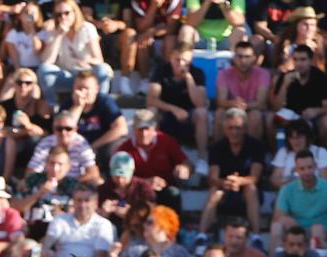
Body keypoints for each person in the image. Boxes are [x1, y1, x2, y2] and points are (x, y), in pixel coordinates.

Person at [146, 42, 209, 176]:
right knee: (151, 112)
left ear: (190, 60)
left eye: (184, 60)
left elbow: (200, 103)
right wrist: (174, 109)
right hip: (166, 114)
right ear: (171, 57)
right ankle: (151, 154)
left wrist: (189, 79)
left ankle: (202, 159)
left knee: (202, 113)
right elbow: (151, 100)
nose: (180, 63)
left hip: (189, 117)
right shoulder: (160, 71)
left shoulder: (197, 73)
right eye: (177, 59)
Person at [204, 107, 266, 236]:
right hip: (224, 189)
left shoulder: (256, 146)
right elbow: (213, 178)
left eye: (238, 128)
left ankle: (256, 235)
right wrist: (225, 183)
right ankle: (202, 234)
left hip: (248, 192)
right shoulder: (217, 147)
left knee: (251, 188)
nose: (234, 132)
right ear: (224, 129)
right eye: (230, 128)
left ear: (245, 129)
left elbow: (255, 177)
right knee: (214, 190)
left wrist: (239, 181)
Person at [37, 0, 113, 103]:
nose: (63, 17)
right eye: (59, 14)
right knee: (43, 69)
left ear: (75, 12)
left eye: (67, 13)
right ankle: (51, 106)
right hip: (66, 75)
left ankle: (101, 104)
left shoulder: (87, 28)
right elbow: (47, 62)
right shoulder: (53, 31)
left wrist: (87, 61)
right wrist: (58, 35)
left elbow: (99, 59)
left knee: (103, 69)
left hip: (86, 75)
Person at [116, 107, 192, 207]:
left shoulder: (167, 141)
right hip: (138, 191)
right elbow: (118, 177)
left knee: (173, 194)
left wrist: (184, 168)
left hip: (165, 188)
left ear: (154, 128)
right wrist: (145, 182)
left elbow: (185, 162)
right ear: (133, 129)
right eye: (140, 129)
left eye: (147, 129)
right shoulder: (124, 149)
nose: (144, 134)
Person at [271, 149, 327, 252]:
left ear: (315, 166)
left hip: (320, 230)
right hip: (295, 229)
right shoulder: (287, 189)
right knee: (276, 227)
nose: (307, 172)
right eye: (302, 169)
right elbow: (278, 216)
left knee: (317, 229)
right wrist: (290, 222)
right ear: (296, 170)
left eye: (310, 167)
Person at [270, 43, 327, 148]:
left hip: (313, 118)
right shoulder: (285, 77)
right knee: (270, 118)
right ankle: (277, 154)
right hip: (289, 118)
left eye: (303, 60)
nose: (299, 64)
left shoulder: (322, 78)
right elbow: (275, 107)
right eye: (295, 60)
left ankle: (321, 151)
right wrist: (285, 85)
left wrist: (316, 111)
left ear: (311, 61)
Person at [59, 69, 128, 167]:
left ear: (97, 89)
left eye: (87, 88)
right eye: (79, 88)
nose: (83, 92)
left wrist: (92, 146)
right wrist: (78, 106)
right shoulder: (68, 103)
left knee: (110, 151)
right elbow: (63, 129)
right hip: (76, 146)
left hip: (101, 143)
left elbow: (121, 128)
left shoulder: (105, 101)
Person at [41, 182, 115, 257]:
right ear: (73, 201)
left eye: (87, 200)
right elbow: (46, 245)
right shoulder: (60, 219)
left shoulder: (104, 224)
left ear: (95, 203)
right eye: (79, 200)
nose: (82, 205)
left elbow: (100, 256)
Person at [215, 37, 271, 141]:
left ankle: (253, 150)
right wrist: (232, 104)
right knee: (220, 113)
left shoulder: (263, 74)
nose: (243, 61)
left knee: (255, 116)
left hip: (252, 109)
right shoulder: (224, 74)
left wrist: (243, 106)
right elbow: (221, 101)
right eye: (239, 56)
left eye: (247, 57)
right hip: (232, 108)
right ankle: (218, 149)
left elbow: (261, 103)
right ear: (234, 58)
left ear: (254, 58)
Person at [25, 109, 99, 184]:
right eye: (59, 129)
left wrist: (68, 185)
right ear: (53, 129)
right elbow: (32, 170)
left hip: (74, 183)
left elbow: (93, 173)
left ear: (75, 129)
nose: (63, 132)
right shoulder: (45, 143)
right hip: (48, 183)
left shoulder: (81, 144)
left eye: (68, 129)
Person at [97, 151, 156, 235]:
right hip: (110, 229)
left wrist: (131, 213)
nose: (120, 180)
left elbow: (151, 212)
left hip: (138, 231)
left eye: (124, 176)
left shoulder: (143, 187)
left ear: (132, 171)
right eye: (116, 176)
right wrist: (103, 213)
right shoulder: (103, 189)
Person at [268, 117, 327, 191]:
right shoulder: (283, 152)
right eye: (292, 137)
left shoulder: (321, 152)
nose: (295, 141)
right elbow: (274, 180)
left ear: (307, 137)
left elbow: (326, 183)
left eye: (299, 137)